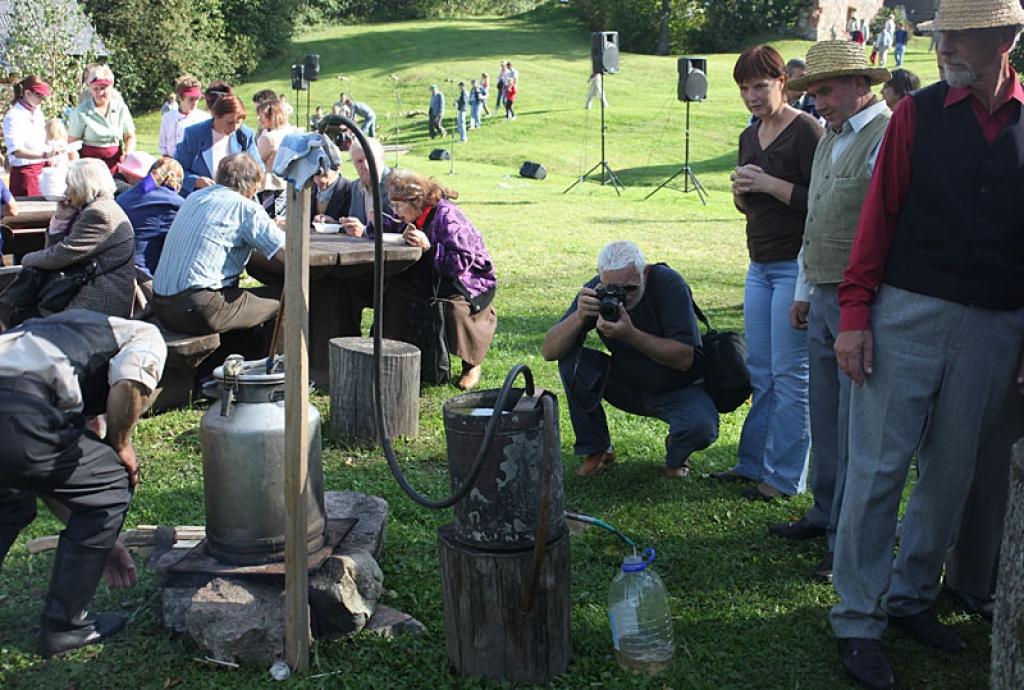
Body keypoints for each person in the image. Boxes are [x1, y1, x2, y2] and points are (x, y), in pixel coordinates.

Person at [831, 2, 1024, 686]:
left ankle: (912, 598)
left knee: (952, 475)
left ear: (1005, 39)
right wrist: (854, 315)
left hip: (996, 326)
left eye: (958, 35)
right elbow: (876, 217)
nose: (943, 46)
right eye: (941, 35)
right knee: (879, 470)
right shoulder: (917, 114)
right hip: (904, 314)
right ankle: (857, 617)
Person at [770, 41, 891, 582]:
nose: (817, 103)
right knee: (825, 412)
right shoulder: (828, 140)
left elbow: (884, 225)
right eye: (812, 93)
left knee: (855, 423)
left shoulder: (886, 134)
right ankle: (823, 512)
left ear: (859, 83)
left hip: (859, 300)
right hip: (820, 293)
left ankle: (848, 533)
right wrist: (801, 288)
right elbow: (815, 218)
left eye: (825, 91)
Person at [0, 309, 167, 657]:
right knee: (110, 482)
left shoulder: (42, 333)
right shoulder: (143, 334)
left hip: (21, 415)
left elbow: (51, 479)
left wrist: (98, 541)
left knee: (9, 501)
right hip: (22, 410)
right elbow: (130, 383)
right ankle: (65, 626)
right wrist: (121, 442)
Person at [719, 46, 822, 501]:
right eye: (744, 88)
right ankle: (752, 463)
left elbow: (822, 202)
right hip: (758, 264)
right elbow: (749, 206)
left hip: (795, 267)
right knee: (759, 370)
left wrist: (767, 184)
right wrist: (742, 192)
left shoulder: (808, 131)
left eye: (759, 86)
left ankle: (784, 478)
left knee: (790, 374)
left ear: (783, 81)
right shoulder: (750, 134)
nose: (751, 97)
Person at [542, 241, 718, 478]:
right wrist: (579, 316)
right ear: (600, 278)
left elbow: (685, 358)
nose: (622, 297)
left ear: (645, 273)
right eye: (612, 288)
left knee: (701, 426)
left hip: (677, 387)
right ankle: (598, 450)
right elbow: (549, 351)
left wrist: (631, 335)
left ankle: (676, 457)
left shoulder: (669, 284)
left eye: (631, 288)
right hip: (626, 381)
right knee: (572, 360)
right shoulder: (597, 291)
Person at [152, 153, 284, 365]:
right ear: (249, 187)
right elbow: (287, 252)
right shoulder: (245, 208)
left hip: (161, 303)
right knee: (284, 301)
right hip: (197, 307)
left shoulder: (196, 197)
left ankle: (224, 367)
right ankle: (271, 376)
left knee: (237, 299)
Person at [370, 170, 496, 389]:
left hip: (466, 281)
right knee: (394, 293)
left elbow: (461, 262)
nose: (395, 211)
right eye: (393, 206)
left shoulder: (447, 216)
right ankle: (387, 354)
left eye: (398, 206)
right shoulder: (411, 214)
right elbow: (391, 227)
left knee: (455, 309)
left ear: (416, 202)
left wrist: (429, 247)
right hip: (428, 274)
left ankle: (472, 364)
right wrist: (364, 228)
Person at [20, 158, 136, 319]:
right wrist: (61, 220)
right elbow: (60, 252)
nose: (66, 192)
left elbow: (60, 255)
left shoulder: (99, 213)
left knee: (29, 312)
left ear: (83, 186)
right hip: (90, 287)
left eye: (70, 185)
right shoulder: (101, 206)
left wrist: (26, 259)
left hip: (101, 298)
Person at [115, 157, 184, 295]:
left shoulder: (125, 196)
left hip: (114, 269)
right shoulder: (178, 206)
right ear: (179, 182)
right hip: (144, 279)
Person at [174, 95, 262, 197]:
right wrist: (196, 181)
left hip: (237, 199)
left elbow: (258, 169)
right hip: (201, 198)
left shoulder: (245, 135)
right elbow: (176, 171)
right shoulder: (194, 134)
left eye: (238, 123)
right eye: (229, 122)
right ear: (215, 115)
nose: (234, 128)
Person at [68, 65, 136, 174]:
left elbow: (129, 136)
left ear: (111, 87)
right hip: (89, 168)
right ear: (90, 89)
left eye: (103, 88)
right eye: (95, 88)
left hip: (114, 165)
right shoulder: (81, 111)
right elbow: (72, 143)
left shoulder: (120, 108)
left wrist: (127, 153)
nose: (99, 93)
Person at [3, 75, 56, 196]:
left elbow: (39, 141)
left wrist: (51, 153)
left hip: (41, 171)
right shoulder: (13, 116)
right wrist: (44, 154)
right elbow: (16, 151)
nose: (42, 99)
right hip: (24, 175)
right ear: (27, 93)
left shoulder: (38, 112)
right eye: (39, 95)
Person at [255, 97, 295, 218]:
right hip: (287, 184)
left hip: (270, 186)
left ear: (272, 117)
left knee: (269, 220)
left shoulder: (269, 137)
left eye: (262, 116)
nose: (259, 119)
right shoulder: (291, 132)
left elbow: (256, 160)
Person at [158, 75, 211, 157]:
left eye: (197, 99)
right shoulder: (168, 118)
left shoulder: (205, 118)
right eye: (191, 99)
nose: (194, 102)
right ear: (180, 97)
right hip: (171, 162)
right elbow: (163, 146)